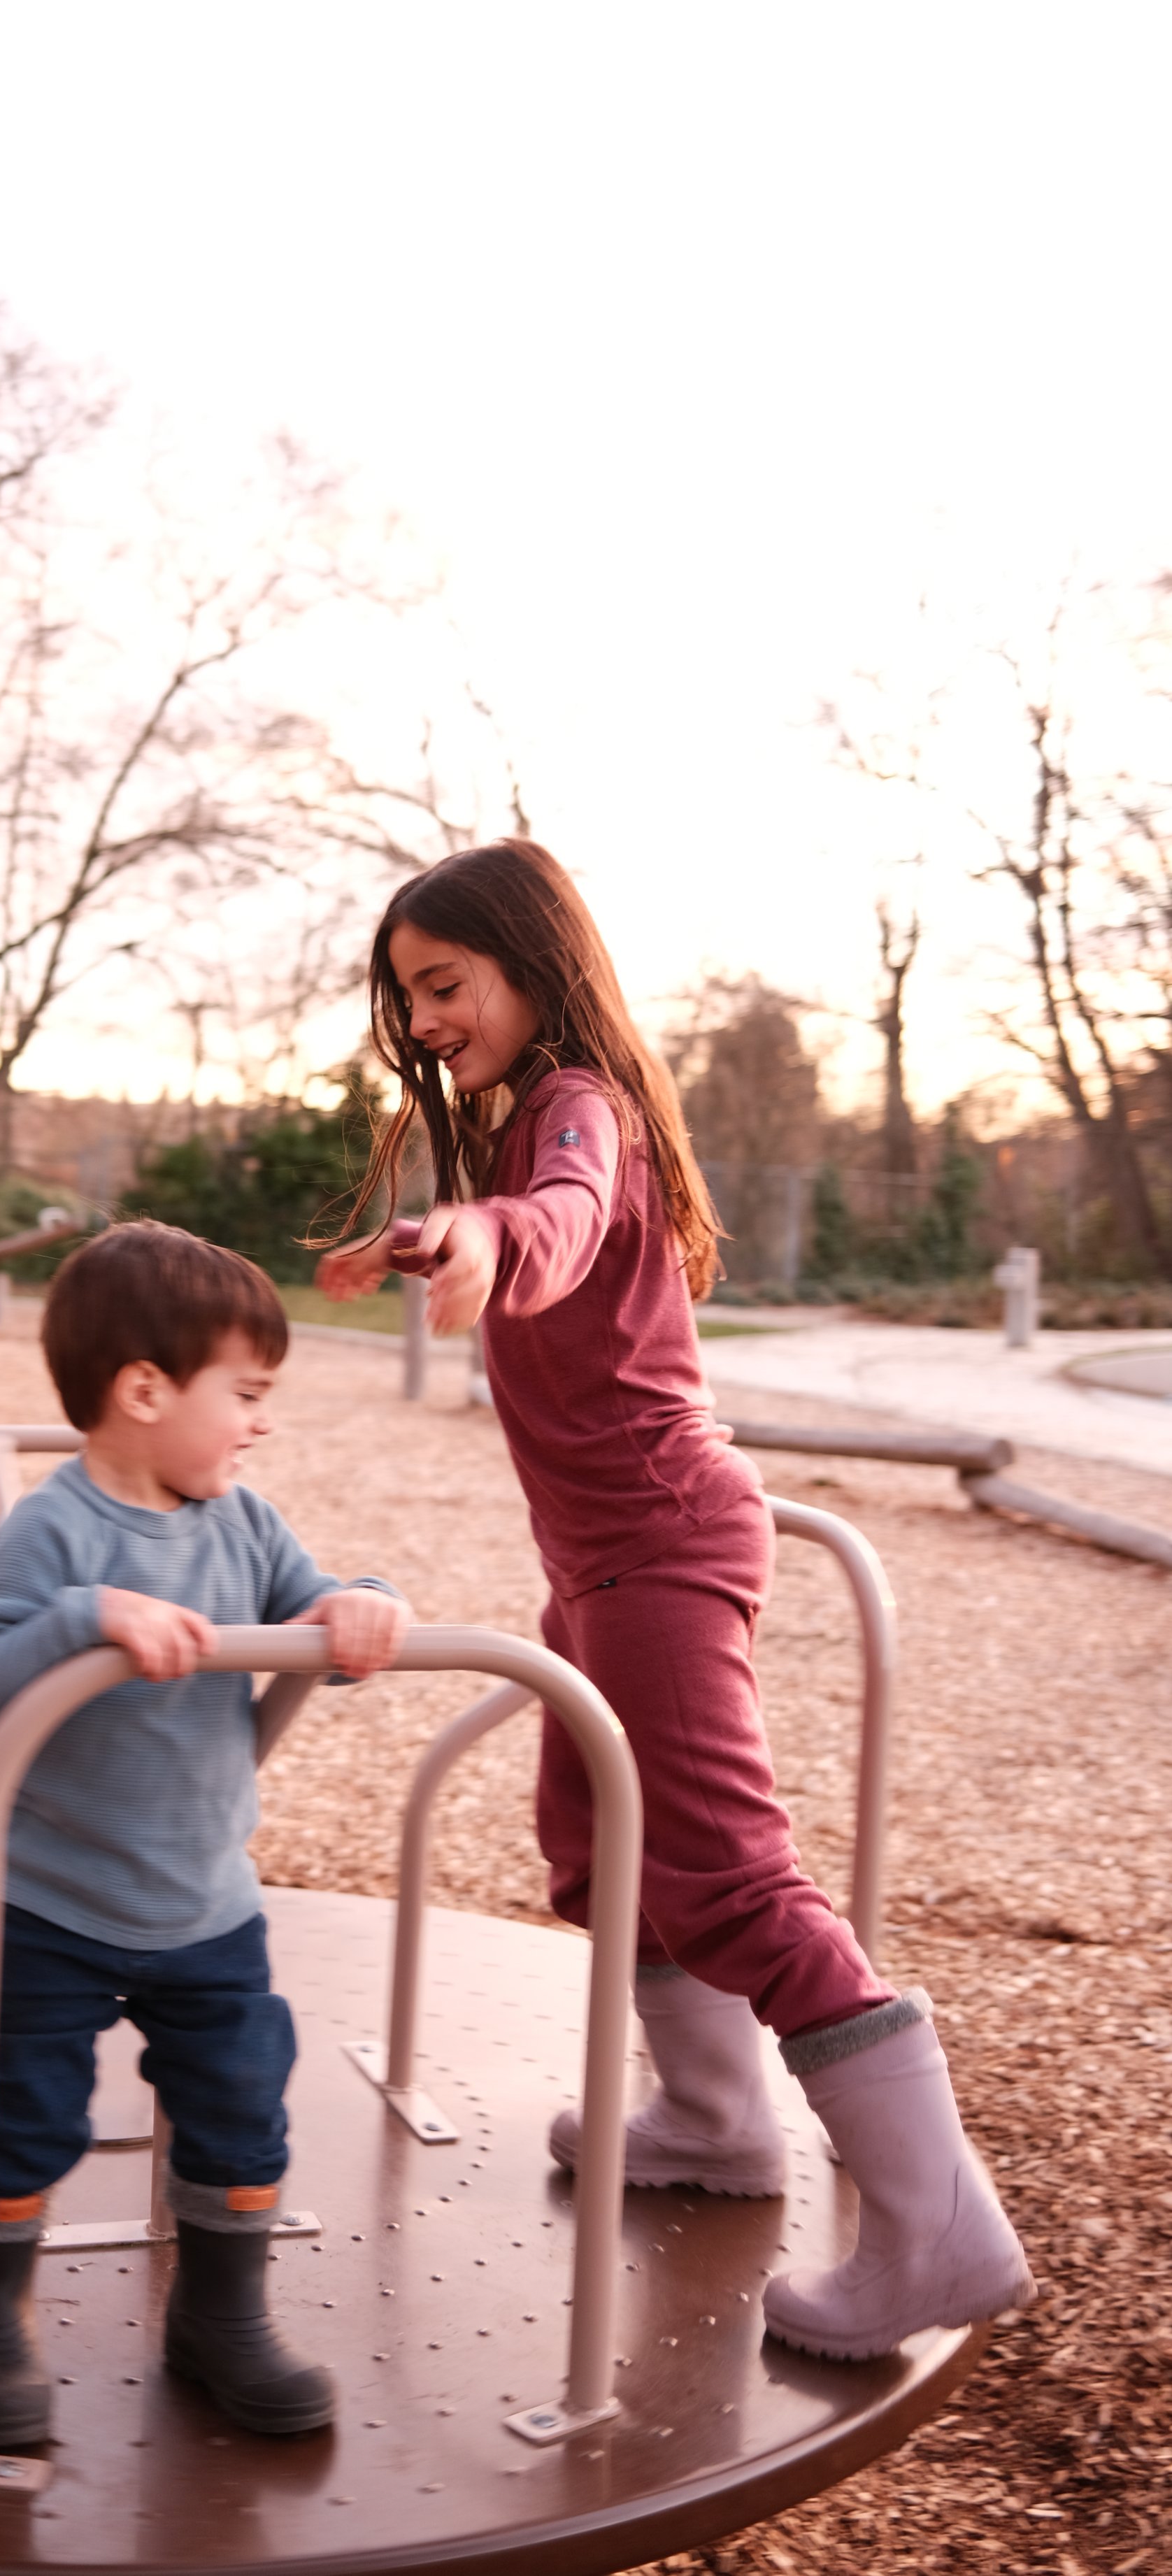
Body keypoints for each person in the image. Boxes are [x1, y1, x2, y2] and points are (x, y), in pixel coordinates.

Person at [318, 839, 1032, 2363]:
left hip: (659, 1541)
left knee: (729, 1877)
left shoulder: (580, 1113)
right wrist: (443, 1232)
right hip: (600, 1559)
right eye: (407, 997)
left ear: (532, 962)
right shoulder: (522, 1130)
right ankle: (712, 2117)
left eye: (445, 984)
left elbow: (564, 1216)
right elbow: (543, 1230)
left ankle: (934, 2225)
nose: (425, 1019)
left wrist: (495, 1233)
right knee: (594, 1843)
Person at [0, 1222, 410, 2447]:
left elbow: (314, 1601)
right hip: (50, 1903)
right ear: (145, 1391)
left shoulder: (243, 1523)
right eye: (246, 1395)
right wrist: (82, 1620)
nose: (261, 1423)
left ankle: (220, 2317)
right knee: (21, 2113)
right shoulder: (53, 1535)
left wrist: (357, 1606)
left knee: (242, 2101)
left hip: (208, 1904)